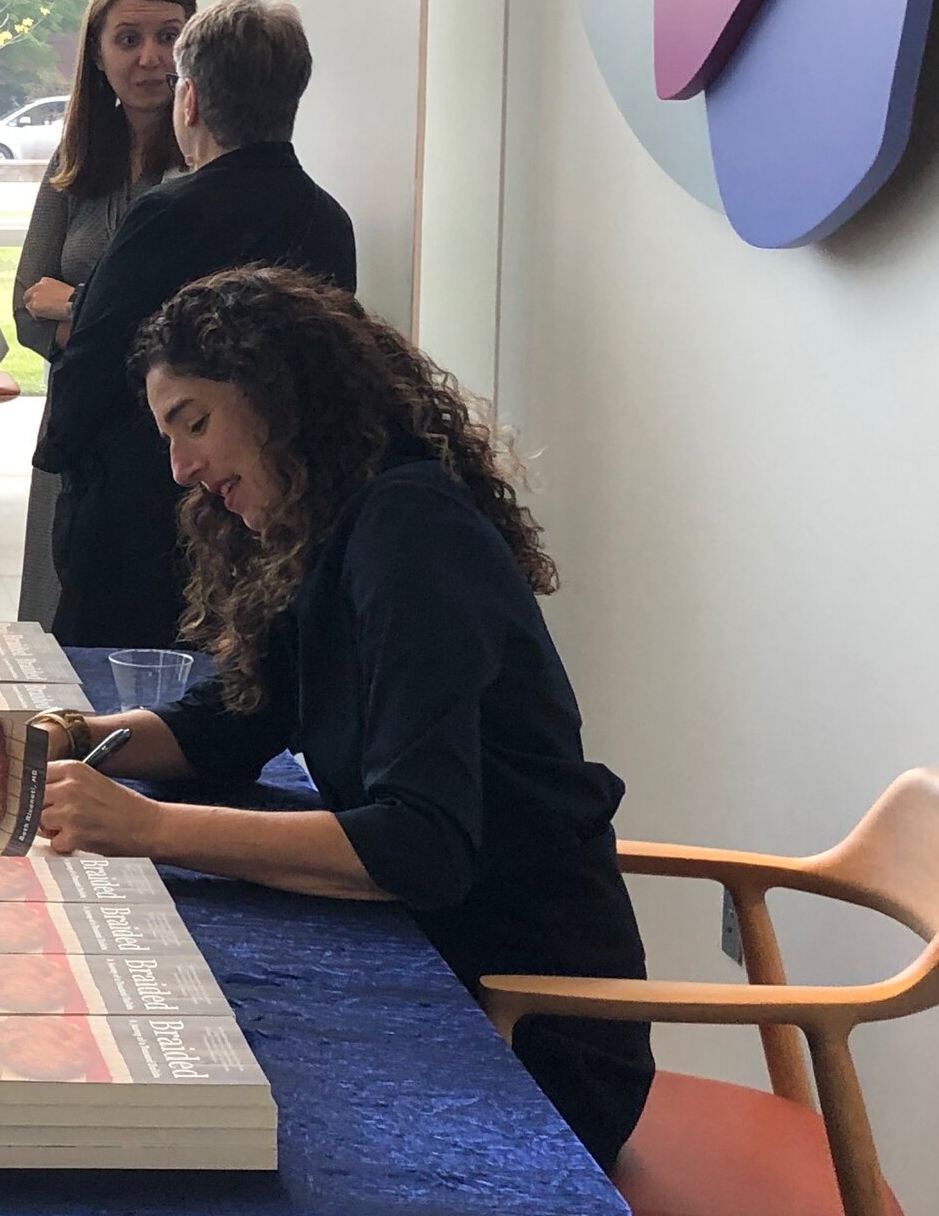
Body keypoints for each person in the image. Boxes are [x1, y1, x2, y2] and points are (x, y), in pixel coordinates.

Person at [38, 267, 656, 1169]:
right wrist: (73, 737)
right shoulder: (341, 521)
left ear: (279, 396)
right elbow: (235, 723)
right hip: (451, 970)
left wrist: (150, 828)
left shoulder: (412, 536)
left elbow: (421, 844)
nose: (181, 468)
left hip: (533, 1032)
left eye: (195, 423)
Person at [36, 0, 356, 651]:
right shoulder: (330, 221)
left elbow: (95, 362)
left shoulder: (166, 214)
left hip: (144, 519)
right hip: (276, 515)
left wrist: (63, 458)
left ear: (190, 102)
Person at [14, 0, 195, 626]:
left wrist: (74, 305)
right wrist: (111, 322)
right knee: (59, 622)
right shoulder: (76, 162)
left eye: (169, 35)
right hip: (78, 429)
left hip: (176, 444)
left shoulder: (207, 163)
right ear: (96, 53)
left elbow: (188, 322)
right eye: (128, 39)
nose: (152, 58)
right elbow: (24, 308)